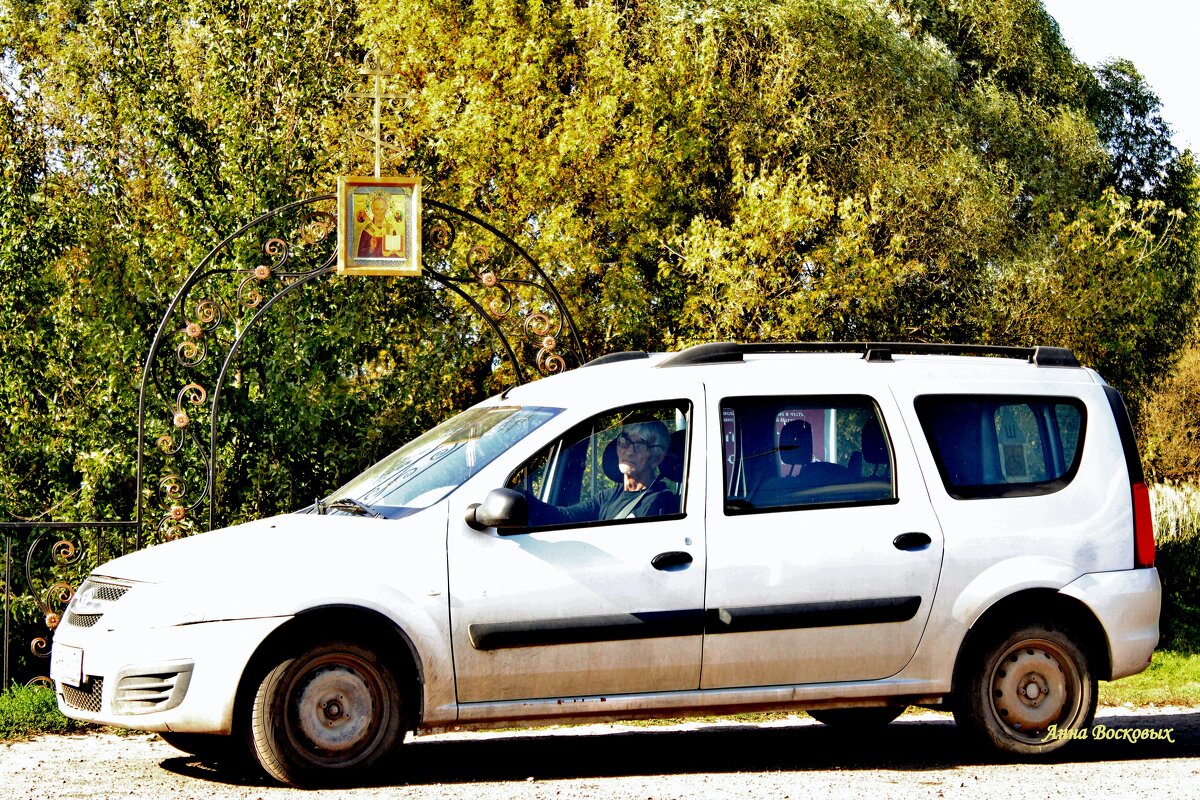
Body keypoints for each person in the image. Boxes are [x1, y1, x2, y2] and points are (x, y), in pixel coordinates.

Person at [526, 420, 678, 525]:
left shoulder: (662, 503)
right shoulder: (606, 497)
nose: (629, 451)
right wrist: (523, 500)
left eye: (640, 445)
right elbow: (563, 517)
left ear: (657, 458)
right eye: (624, 442)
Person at [356, 193, 404, 258]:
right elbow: (360, 255)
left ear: (386, 210)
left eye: (382, 209)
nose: (379, 212)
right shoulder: (367, 230)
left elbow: (397, 256)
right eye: (377, 209)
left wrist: (396, 250)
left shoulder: (391, 229)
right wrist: (371, 248)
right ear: (372, 210)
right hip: (371, 266)